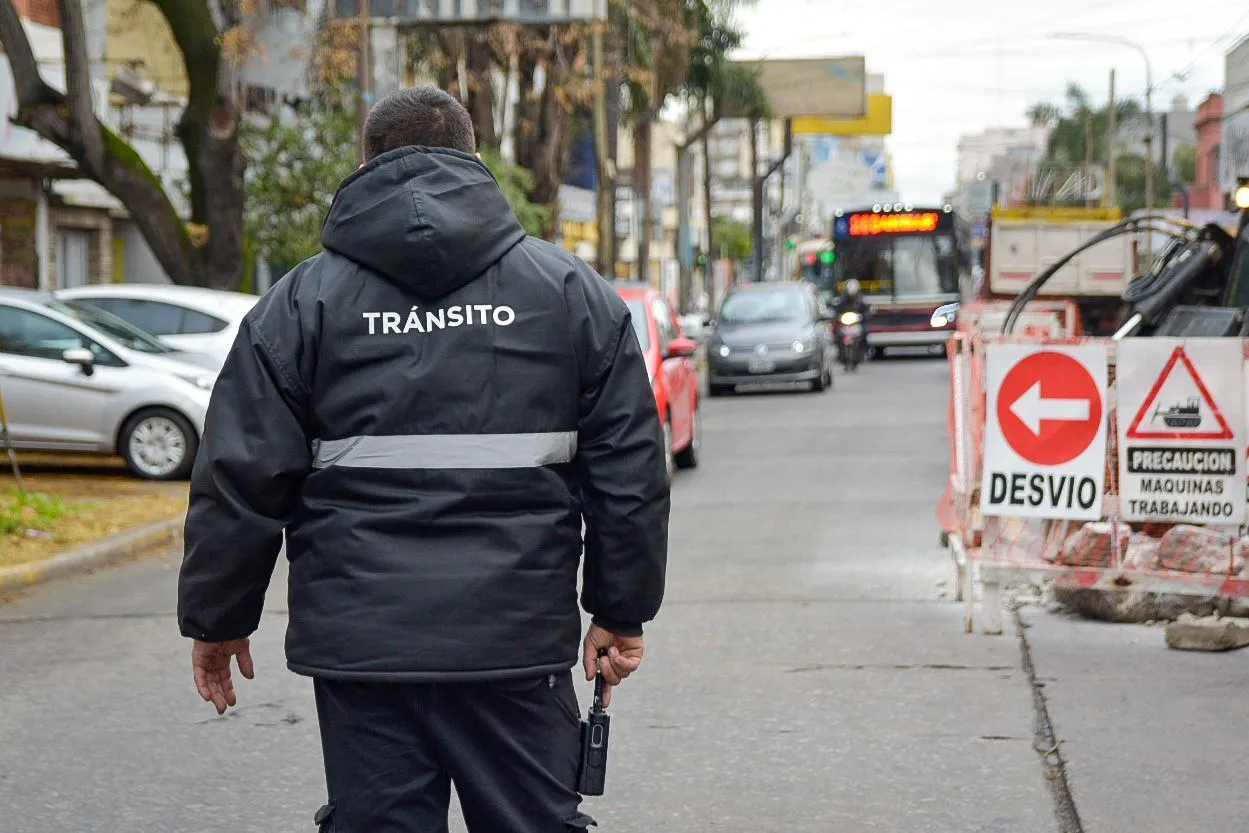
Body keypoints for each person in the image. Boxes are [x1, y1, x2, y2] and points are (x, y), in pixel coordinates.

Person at [177, 86, 670, 833]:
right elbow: (628, 472)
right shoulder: (569, 296)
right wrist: (619, 608)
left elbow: (239, 476)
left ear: (367, 161)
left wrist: (218, 618)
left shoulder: (301, 303)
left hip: (363, 648)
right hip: (514, 643)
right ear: (473, 159)